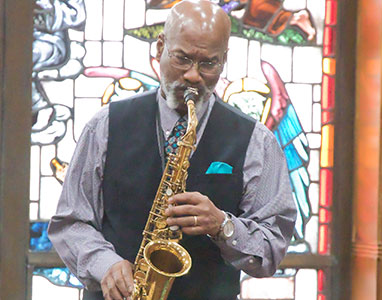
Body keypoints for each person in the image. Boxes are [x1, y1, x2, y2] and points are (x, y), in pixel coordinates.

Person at [48, 1, 296, 300]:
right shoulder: (105, 126)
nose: (193, 76)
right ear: (159, 48)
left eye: (208, 63)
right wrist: (105, 265)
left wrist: (223, 225)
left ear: (224, 60)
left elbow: (272, 248)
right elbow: (70, 222)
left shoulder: (258, 141)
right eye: (182, 59)